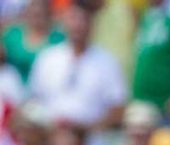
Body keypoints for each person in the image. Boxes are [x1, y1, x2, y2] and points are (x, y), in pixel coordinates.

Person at [27, 2, 127, 133]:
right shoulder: (48, 58)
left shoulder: (107, 62)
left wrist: (87, 129)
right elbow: (34, 100)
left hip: (92, 140)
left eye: (83, 19)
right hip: (51, 136)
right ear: (64, 22)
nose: (78, 25)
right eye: (73, 18)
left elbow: (118, 109)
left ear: (92, 24)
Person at [0, 0, 65, 83]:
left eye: (40, 14)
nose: (37, 17)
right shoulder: (12, 35)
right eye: (34, 13)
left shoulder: (58, 38)